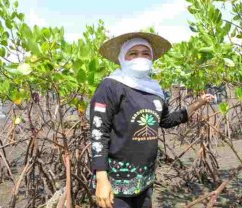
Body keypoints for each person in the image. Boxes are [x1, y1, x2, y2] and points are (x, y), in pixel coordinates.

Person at [90, 32, 215, 208]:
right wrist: (101, 179)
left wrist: (197, 104)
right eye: (133, 53)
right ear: (122, 58)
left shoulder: (154, 90)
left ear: (152, 58)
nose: (140, 57)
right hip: (116, 180)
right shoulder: (111, 86)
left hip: (146, 177)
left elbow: (166, 120)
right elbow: (98, 132)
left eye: (145, 53)